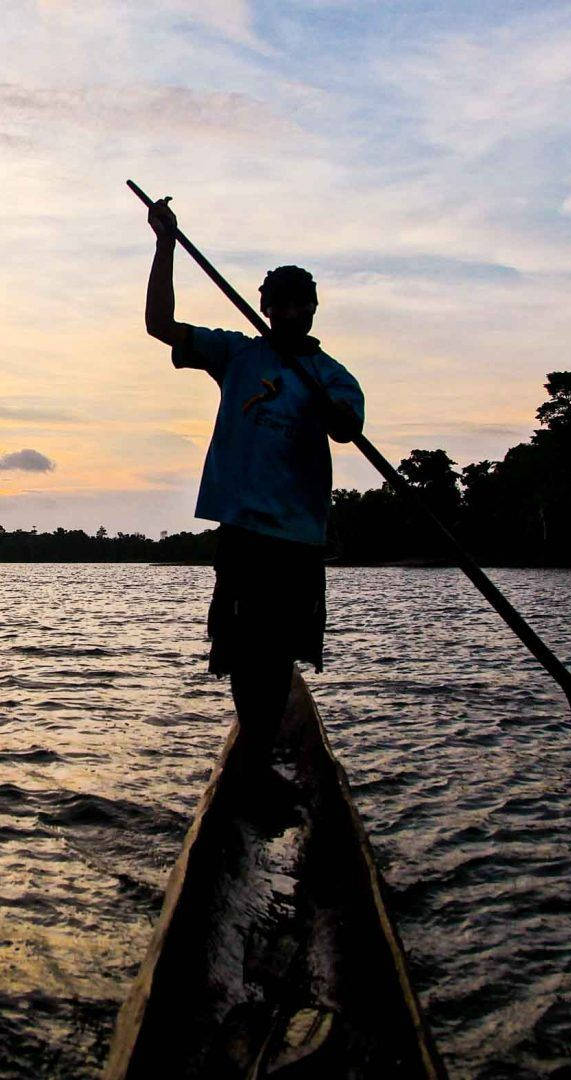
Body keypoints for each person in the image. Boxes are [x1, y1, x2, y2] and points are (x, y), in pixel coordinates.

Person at [143, 195, 364, 767]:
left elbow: (347, 426)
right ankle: (259, 754)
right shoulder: (237, 355)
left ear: (313, 310)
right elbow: (159, 325)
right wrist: (165, 244)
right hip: (244, 531)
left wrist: (340, 418)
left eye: (300, 306)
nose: (290, 314)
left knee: (278, 651)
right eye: (280, 305)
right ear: (266, 309)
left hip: (297, 538)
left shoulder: (331, 376)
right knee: (244, 652)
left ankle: (260, 747)